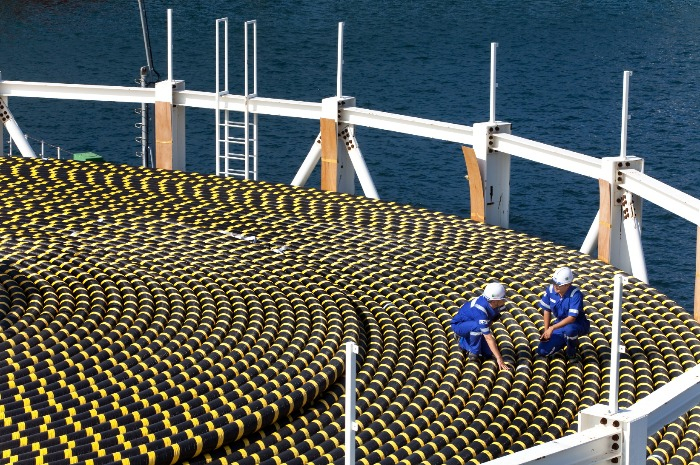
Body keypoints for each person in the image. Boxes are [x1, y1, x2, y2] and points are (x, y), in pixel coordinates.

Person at [451, 282, 511, 371]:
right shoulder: (480, 310)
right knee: (477, 328)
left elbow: (490, 321)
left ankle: (470, 341)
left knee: (488, 354)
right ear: (495, 301)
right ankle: (469, 347)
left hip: (473, 325)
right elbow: (488, 337)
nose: (504, 300)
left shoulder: (495, 305)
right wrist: (500, 359)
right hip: (459, 326)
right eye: (502, 298)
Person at [535, 266, 590, 363]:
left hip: (577, 324)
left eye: (559, 285)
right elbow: (546, 310)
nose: (556, 286)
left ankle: (571, 351)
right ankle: (565, 341)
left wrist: (552, 328)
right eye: (554, 283)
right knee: (542, 351)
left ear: (568, 285)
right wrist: (546, 330)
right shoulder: (551, 290)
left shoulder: (575, 294)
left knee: (570, 330)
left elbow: (571, 318)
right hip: (560, 324)